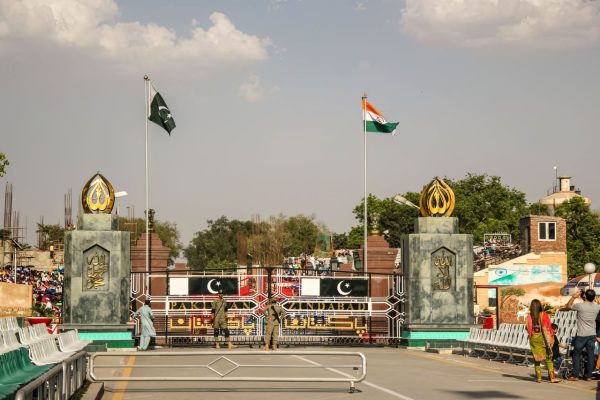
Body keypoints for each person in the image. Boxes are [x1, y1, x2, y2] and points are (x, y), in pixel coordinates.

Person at [565, 289, 600, 381]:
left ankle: (575, 375)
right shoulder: (597, 307)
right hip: (592, 334)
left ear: (584, 296)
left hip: (581, 334)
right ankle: (588, 376)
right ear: (594, 297)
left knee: (576, 354)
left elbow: (568, 306)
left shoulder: (580, 306)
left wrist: (574, 297)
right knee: (590, 355)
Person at [526, 299, 561, 383]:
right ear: (540, 306)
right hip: (543, 339)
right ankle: (552, 377)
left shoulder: (529, 316)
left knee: (537, 359)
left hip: (534, 339)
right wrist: (550, 338)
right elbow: (547, 327)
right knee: (549, 358)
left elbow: (527, 328)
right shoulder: (543, 314)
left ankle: (538, 378)